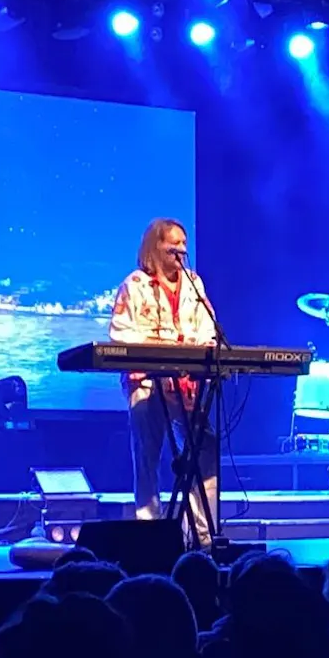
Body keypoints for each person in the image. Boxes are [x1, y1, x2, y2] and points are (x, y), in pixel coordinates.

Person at [108, 217, 220, 546]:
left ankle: (201, 535)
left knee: (205, 447)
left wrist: (198, 352)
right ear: (156, 246)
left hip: (186, 387)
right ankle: (149, 533)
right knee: (147, 452)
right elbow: (121, 334)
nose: (182, 252)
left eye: (185, 245)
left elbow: (208, 328)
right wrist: (162, 355)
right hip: (147, 384)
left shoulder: (194, 285)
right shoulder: (135, 284)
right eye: (174, 245)